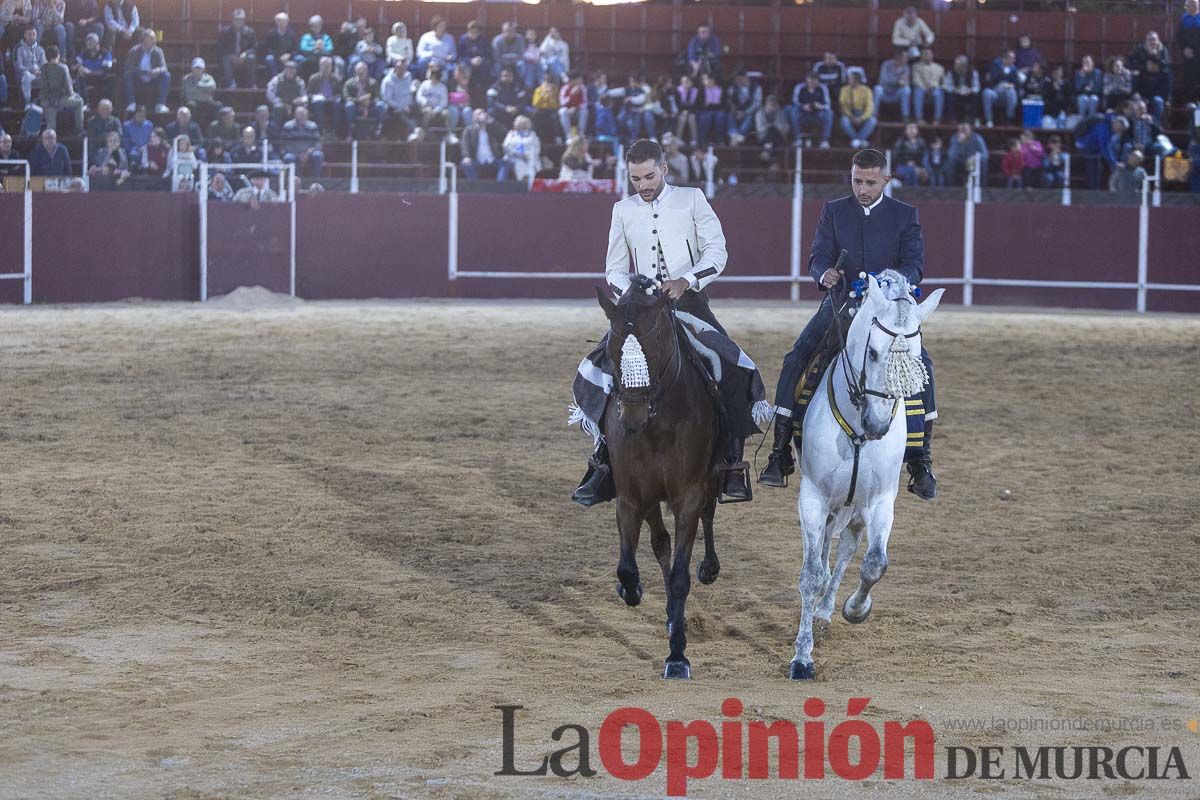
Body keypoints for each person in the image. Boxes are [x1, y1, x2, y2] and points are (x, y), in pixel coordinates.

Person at [573, 138, 756, 506]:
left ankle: (732, 463)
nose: (643, 186)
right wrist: (637, 290)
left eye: (649, 176)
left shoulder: (692, 199)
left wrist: (687, 279)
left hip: (688, 300)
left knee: (734, 365)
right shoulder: (621, 210)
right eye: (636, 179)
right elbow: (614, 269)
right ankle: (602, 461)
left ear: (664, 169)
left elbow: (717, 252)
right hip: (640, 308)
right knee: (597, 367)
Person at [759, 148, 936, 499]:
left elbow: (914, 266)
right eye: (857, 181)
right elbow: (818, 255)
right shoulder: (834, 211)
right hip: (840, 305)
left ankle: (920, 462)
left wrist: (890, 285)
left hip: (886, 312)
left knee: (921, 367)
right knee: (796, 358)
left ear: (886, 179)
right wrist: (822, 272)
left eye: (870, 182)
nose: (862, 189)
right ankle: (779, 452)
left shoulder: (906, 216)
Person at [123, 29, 169, 113]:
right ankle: (131, 103)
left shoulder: (158, 51)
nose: (152, 41)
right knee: (128, 75)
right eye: (150, 39)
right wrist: (145, 72)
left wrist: (157, 70)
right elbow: (129, 67)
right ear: (143, 40)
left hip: (153, 78)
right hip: (138, 78)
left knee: (166, 76)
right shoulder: (134, 50)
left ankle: (160, 105)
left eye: (153, 39)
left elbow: (164, 67)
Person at [37, 45, 81, 132]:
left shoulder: (43, 68)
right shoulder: (63, 68)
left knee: (51, 127)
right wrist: (74, 94)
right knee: (80, 102)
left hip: (46, 100)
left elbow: (42, 86)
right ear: (58, 55)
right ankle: (79, 129)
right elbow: (69, 89)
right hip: (59, 99)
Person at [459, 108, 507, 181]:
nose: (482, 115)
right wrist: (466, 156)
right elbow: (465, 145)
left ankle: (499, 186)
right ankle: (475, 185)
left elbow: (503, 134)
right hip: (477, 160)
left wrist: (492, 122)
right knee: (464, 164)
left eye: (483, 113)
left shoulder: (492, 128)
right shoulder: (469, 130)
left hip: (492, 159)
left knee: (506, 163)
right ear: (474, 117)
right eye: (479, 114)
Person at [344, 60, 385, 139]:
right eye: (359, 70)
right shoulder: (349, 83)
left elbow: (378, 97)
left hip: (370, 107)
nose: (362, 72)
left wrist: (369, 102)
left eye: (364, 70)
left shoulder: (373, 82)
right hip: (355, 107)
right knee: (349, 106)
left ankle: (377, 129)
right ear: (355, 71)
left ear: (367, 71)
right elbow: (346, 97)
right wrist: (359, 100)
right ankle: (351, 129)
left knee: (381, 105)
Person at [217, 7, 256, 88]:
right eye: (237, 19)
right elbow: (220, 48)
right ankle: (230, 83)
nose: (239, 21)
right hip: (230, 57)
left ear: (244, 20)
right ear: (233, 19)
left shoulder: (250, 31)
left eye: (241, 19)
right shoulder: (225, 31)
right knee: (225, 58)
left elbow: (254, 48)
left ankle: (251, 83)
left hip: (244, 58)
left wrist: (245, 54)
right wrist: (231, 55)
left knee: (251, 58)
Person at [790, 71, 832, 148]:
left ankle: (824, 140)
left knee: (829, 113)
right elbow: (794, 102)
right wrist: (803, 106)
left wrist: (820, 106)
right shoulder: (800, 87)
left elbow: (828, 105)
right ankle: (798, 138)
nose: (812, 83)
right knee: (792, 110)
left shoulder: (823, 88)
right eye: (810, 80)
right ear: (807, 80)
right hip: (803, 113)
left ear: (818, 81)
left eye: (814, 80)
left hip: (818, 114)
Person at [280, 104, 323, 177]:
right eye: (300, 115)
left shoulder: (313, 126)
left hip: (309, 153)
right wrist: (298, 154)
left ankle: (315, 180)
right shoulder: (287, 126)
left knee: (318, 155)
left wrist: (307, 153)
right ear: (295, 115)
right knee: (288, 157)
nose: (302, 117)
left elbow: (317, 144)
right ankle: (295, 181)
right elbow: (285, 144)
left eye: (304, 115)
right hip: (293, 153)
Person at [380, 59, 417, 140]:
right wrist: (402, 107)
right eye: (401, 69)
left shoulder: (408, 76)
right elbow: (388, 100)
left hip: (408, 107)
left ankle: (416, 134)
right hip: (394, 110)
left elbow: (409, 91)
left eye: (405, 69)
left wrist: (409, 105)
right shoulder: (388, 81)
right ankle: (412, 132)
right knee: (403, 118)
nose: (403, 71)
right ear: (396, 69)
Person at [839, 67, 875, 147]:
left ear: (856, 80)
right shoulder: (844, 90)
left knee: (872, 120)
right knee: (844, 121)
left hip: (861, 114)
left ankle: (858, 140)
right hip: (849, 114)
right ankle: (858, 140)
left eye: (850, 79)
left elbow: (870, 106)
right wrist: (851, 117)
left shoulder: (866, 90)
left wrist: (862, 118)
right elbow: (843, 105)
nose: (848, 80)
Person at [982, 49, 1019, 127]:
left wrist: (1010, 85)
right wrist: (1003, 73)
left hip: (1007, 93)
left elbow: (1016, 83)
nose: (1014, 60)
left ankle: (1009, 119)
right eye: (1012, 58)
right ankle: (989, 120)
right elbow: (990, 80)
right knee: (987, 93)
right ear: (1005, 58)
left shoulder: (1014, 69)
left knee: (1011, 92)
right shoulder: (994, 66)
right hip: (994, 91)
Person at [74, 32, 113, 103]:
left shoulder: (105, 53)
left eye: (90, 42)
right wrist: (79, 67)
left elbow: (105, 71)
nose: (88, 43)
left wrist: (90, 72)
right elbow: (74, 64)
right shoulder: (85, 53)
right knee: (79, 76)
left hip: (100, 78)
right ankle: (83, 102)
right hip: (86, 77)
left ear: (97, 43)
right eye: (87, 41)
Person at [874, 49, 912, 121]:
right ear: (898, 57)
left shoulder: (906, 68)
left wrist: (899, 82)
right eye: (905, 57)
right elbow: (882, 80)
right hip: (884, 93)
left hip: (896, 94)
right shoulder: (886, 64)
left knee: (906, 90)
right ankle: (874, 115)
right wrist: (897, 81)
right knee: (877, 88)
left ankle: (905, 116)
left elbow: (906, 83)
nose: (907, 59)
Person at [726, 70, 761, 146]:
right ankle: (733, 134)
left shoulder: (756, 88)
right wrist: (735, 109)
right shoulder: (733, 87)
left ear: (745, 78)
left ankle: (740, 135)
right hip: (737, 111)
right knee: (730, 114)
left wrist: (745, 112)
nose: (737, 81)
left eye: (739, 79)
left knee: (749, 117)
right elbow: (730, 100)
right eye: (736, 80)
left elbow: (757, 104)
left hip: (749, 111)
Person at [502, 114, 540, 182]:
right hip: (514, 157)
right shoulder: (511, 134)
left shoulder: (532, 134)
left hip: (529, 157)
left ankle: (530, 184)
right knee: (519, 162)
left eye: (517, 121)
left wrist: (527, 155)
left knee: (532, 163)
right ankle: (522, 182)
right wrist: (517, 154)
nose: (515, 123)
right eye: (515, 121)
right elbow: (506, 147)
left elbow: (536, 148)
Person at [15, 25, 46, 108]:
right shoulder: (19, 48)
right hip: (25, 75)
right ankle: (27, 103)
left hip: (38, 75)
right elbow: (18, 66)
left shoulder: (40, 49)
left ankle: (46, 104)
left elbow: (44, 65)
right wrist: (30, 70)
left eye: (34, 34)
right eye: (29, 34)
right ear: (25, 35)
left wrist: (40, 71)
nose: (32, 37)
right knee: (27, 75)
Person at [911, 48, 944, 124]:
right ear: (921, 56)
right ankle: (919, 119)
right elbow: (916, 80)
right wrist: (924, 87)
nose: (927, 56)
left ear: (932, 55)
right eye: (925, 54)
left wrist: (933, 86)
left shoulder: (939, 68)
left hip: (934, 89)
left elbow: (942, 82)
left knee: (939, 93)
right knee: (918, 92)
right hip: (921, 88)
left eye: (929, 54)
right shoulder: (916, 66)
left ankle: (937, 119)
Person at [259, 12, 297, 78]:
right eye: (279, 21)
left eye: (284, 21)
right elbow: (267, 48)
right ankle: (276, 78)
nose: (282, 23)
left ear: (287, 22)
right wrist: (279, 56)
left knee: (299, 59)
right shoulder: (270, 34)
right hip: (275, 57)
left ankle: (293, 78)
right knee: (269, 59)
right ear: (276, 22)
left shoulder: (292, 34)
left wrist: (289, 55)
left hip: (288, 58)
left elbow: (296, 48)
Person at [183, 57, 220, 125]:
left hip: (207, 102)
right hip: (194, 102)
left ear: (203, 68)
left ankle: (214, 126)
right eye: (196, 68)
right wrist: (204, 89)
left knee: (217, 105)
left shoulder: (209, 78)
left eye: (199, 68)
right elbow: (189, 90)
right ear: (192, 68)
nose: (198, 70)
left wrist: (197, 86)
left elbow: (212, 87)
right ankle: (192, 126)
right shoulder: (187, 78)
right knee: (191, 105)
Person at [944, 54, 980, 122]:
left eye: (958, 65)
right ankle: (953, 119)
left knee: (976, 96)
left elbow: (977, 87)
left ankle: (972, 119)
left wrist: (969, 90)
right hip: (956, 93)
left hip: (968, 93)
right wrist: (956, 90)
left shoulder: (973, 72)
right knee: (949, 96)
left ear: (964, 66)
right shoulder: (951, 72)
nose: (955, 66)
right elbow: (947, 86)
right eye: (955, 64)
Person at [891, 121, 929, 186]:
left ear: (917, 130)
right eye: (910, 128)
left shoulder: (921, 142)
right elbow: (895, 156)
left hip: (917, 166)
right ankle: (912, 190)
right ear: (906, 130)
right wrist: (906, 162)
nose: (912, 130)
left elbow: (923, 156)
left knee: (923, 172)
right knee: (913, 171)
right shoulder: (901, 142)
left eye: (914, 128)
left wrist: (917, 164)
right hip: (902, 166)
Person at [1075, 54, 1103, 118]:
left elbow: (1098, 88)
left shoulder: (1097, 73)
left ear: (1092, 63)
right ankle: (1081, 120)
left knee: (1093, 99)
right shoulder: (1078, 73)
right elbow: (1077, 88)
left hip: (1095, 94)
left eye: (1087, 62)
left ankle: (1091, 119)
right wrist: (1082, 77)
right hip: (1082, 94)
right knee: (1083, 98)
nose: (1085, 64)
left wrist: (1090, 89)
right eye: (1084, 62)